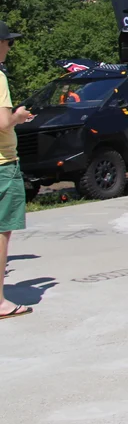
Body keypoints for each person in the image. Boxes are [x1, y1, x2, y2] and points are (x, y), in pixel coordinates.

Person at [0, 21, 34, 320]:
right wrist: (18, 116)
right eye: (7, 42)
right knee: (1, 232)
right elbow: (1, 122)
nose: (10, 48)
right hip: (2, 165)